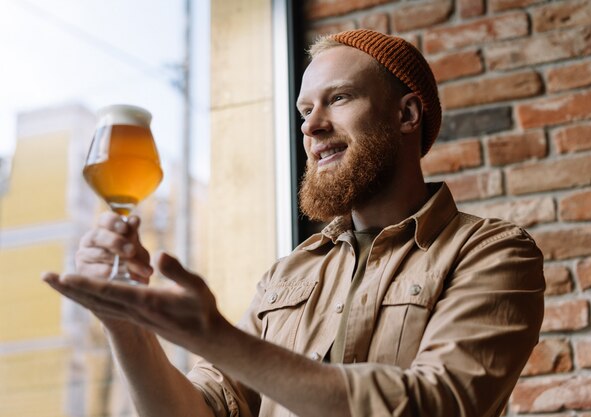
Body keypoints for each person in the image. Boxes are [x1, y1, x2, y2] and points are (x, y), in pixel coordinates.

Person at [43, 29, 545, 417]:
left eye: (339, 98)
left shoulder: (493, 252)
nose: (310, 125)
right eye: (305, 109)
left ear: (407, 114)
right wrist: (125, 324)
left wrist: (217, 336)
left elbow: (436, 404)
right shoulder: (287, 276)